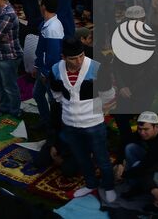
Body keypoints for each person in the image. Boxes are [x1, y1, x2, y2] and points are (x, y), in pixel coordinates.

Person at [51, 38, 116, 202]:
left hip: (93, 123)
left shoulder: (97, 68)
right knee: (81, 157)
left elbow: (108, 95)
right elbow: (56, 93)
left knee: (102, 158)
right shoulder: (56, 69)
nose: (79, 61)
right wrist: (69, 108)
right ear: (63, 57)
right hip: (70, 123)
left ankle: (109, 186)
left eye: (81, 56)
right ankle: (91, 184)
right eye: (73, 58)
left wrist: (94, 110)